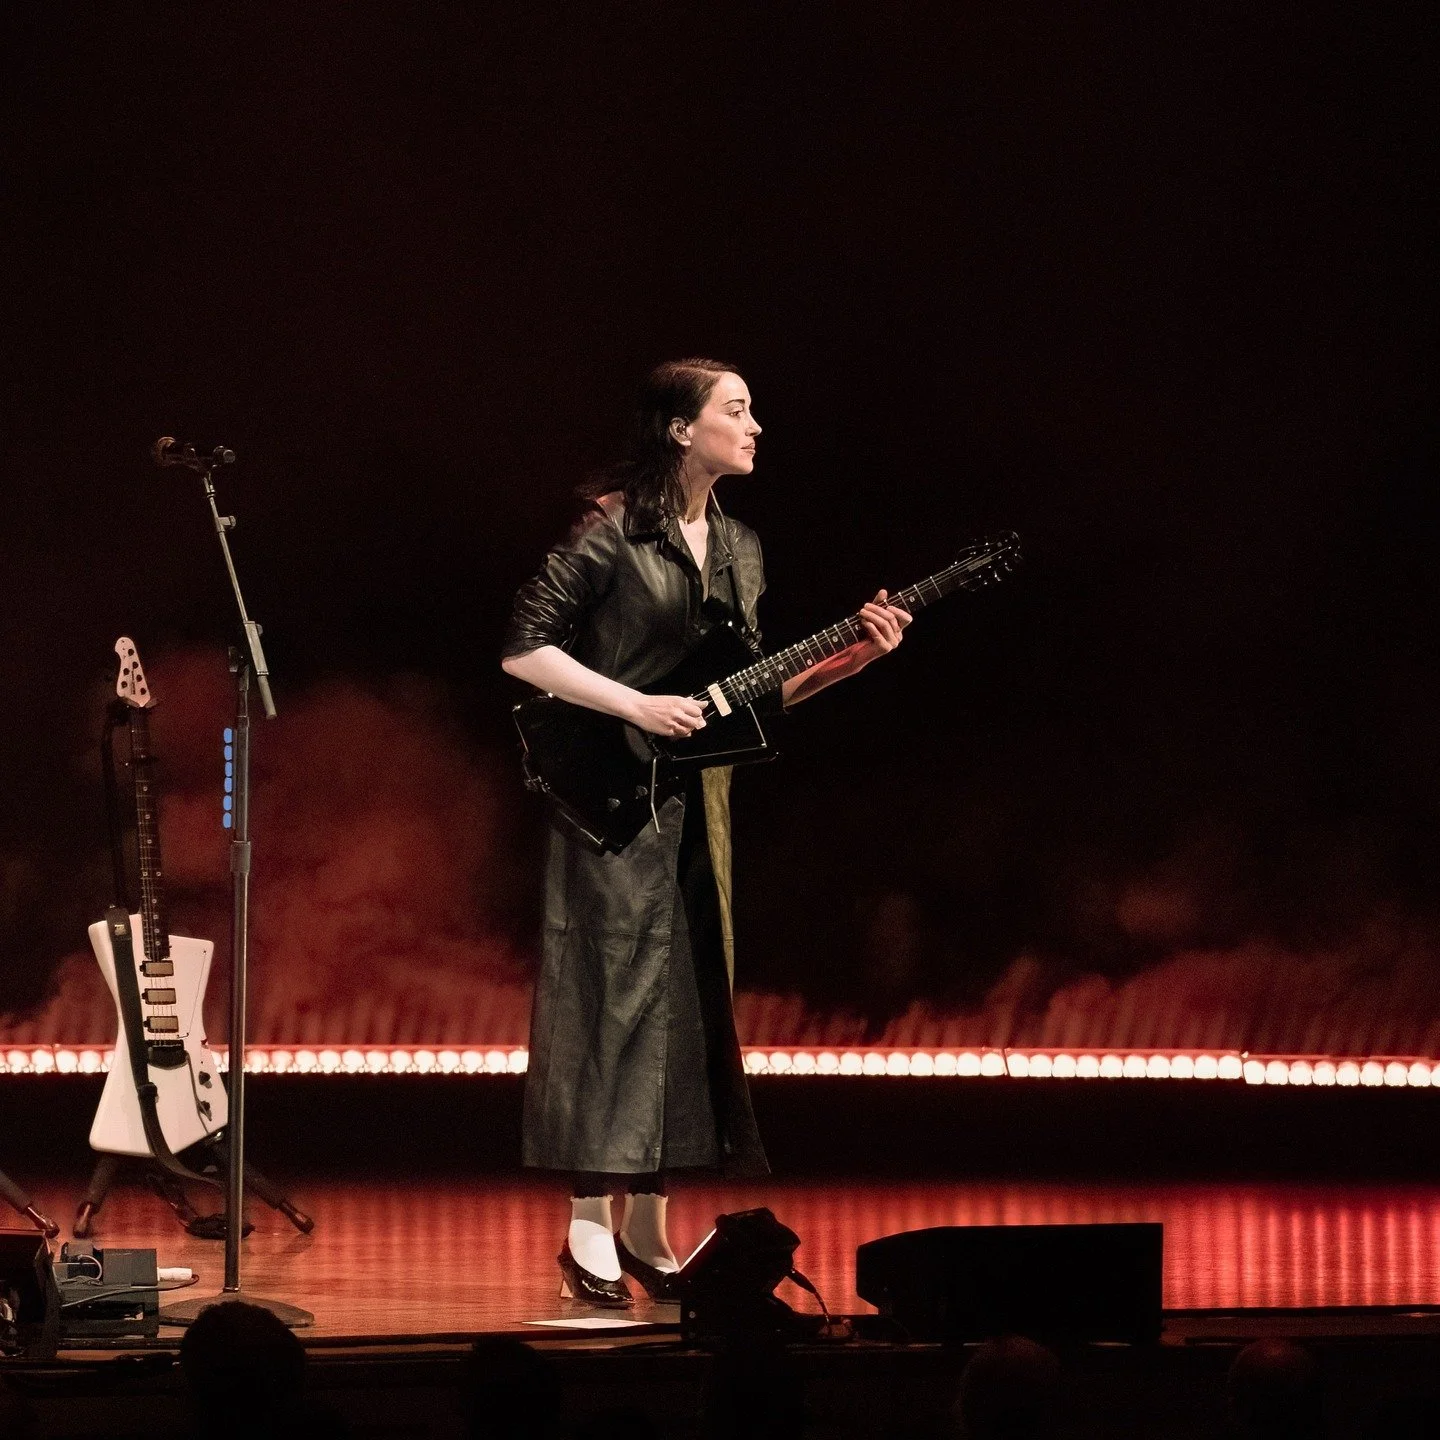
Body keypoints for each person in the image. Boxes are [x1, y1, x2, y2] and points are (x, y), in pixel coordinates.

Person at [501, 357, 910, 1306]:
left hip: (698, 804)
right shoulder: (610, 531)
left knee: (683, 1006)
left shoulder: (741, 547)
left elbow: (745, 699)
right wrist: (635, 706)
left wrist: (850, 661)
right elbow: (526, 650)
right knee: (611, 998)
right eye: (736, 409)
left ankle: (647, 1227)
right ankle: (586, 1227)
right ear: (681, 430)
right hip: (609, 803)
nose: (756, 424)